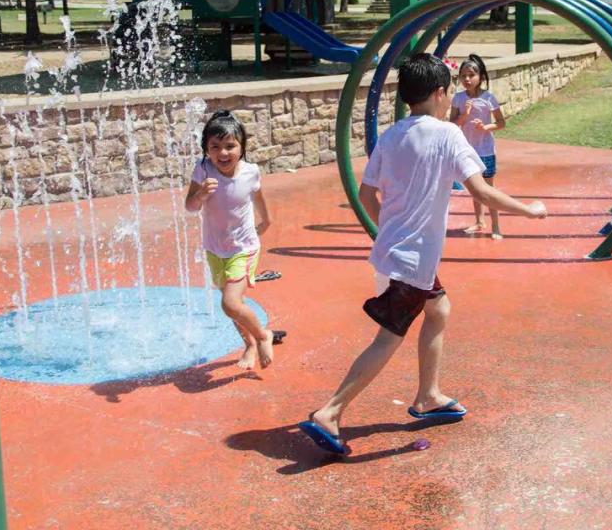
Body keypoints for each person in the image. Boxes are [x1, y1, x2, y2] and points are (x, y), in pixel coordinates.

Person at [298, 54, 546, 455]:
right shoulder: (448, 135)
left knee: (439, 309)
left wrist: (387, 235)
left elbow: (365, 195)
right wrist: (529, 210)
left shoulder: (392, 135)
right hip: (411, 261)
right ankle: (330, 411)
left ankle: (428, 396)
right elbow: (481, 190)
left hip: (395, 254)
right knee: (389, 337)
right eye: (447, 92)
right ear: (438, 93)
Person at [185, 110, 277, 370]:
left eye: (230, 146)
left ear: (241, 146)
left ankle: (262, 335)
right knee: (234, 305)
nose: (223, 153)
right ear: (206, 149)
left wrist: (266, 220)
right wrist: (200, 195)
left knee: (230, 303)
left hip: (243, 247)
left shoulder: (250, 172)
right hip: (215, 249)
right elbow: (190, 206)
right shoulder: (202, 170)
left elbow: (257, 196)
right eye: (215, 147)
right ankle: (248, 344)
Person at [450, 54, 507, 239]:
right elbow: (453, 124)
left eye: (471, 75)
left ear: (481, 77)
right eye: (463, 76)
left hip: (486, 150)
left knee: (489, 189)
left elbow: (501, 123)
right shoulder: (458, 99)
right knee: (476, 189)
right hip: (468, 151)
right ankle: (479, 221)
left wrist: (485, 127)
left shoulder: (488, 97)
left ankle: (496, 226)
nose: (467, 79)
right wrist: (464, 115)